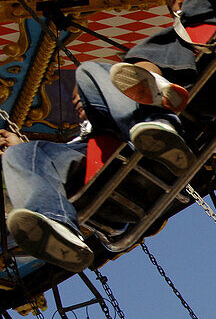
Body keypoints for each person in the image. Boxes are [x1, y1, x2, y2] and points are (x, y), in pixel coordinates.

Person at [2, 60, 193, 271]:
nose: (75, 100)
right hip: (94, 179)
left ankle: (158, 131)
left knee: (88, 71)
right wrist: (23, 150)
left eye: (79, 96)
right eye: (75, 98)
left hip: (126, 146)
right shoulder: (76, 143)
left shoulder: (106, 118)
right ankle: (58, 223)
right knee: (15, 154)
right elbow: (53, 159)